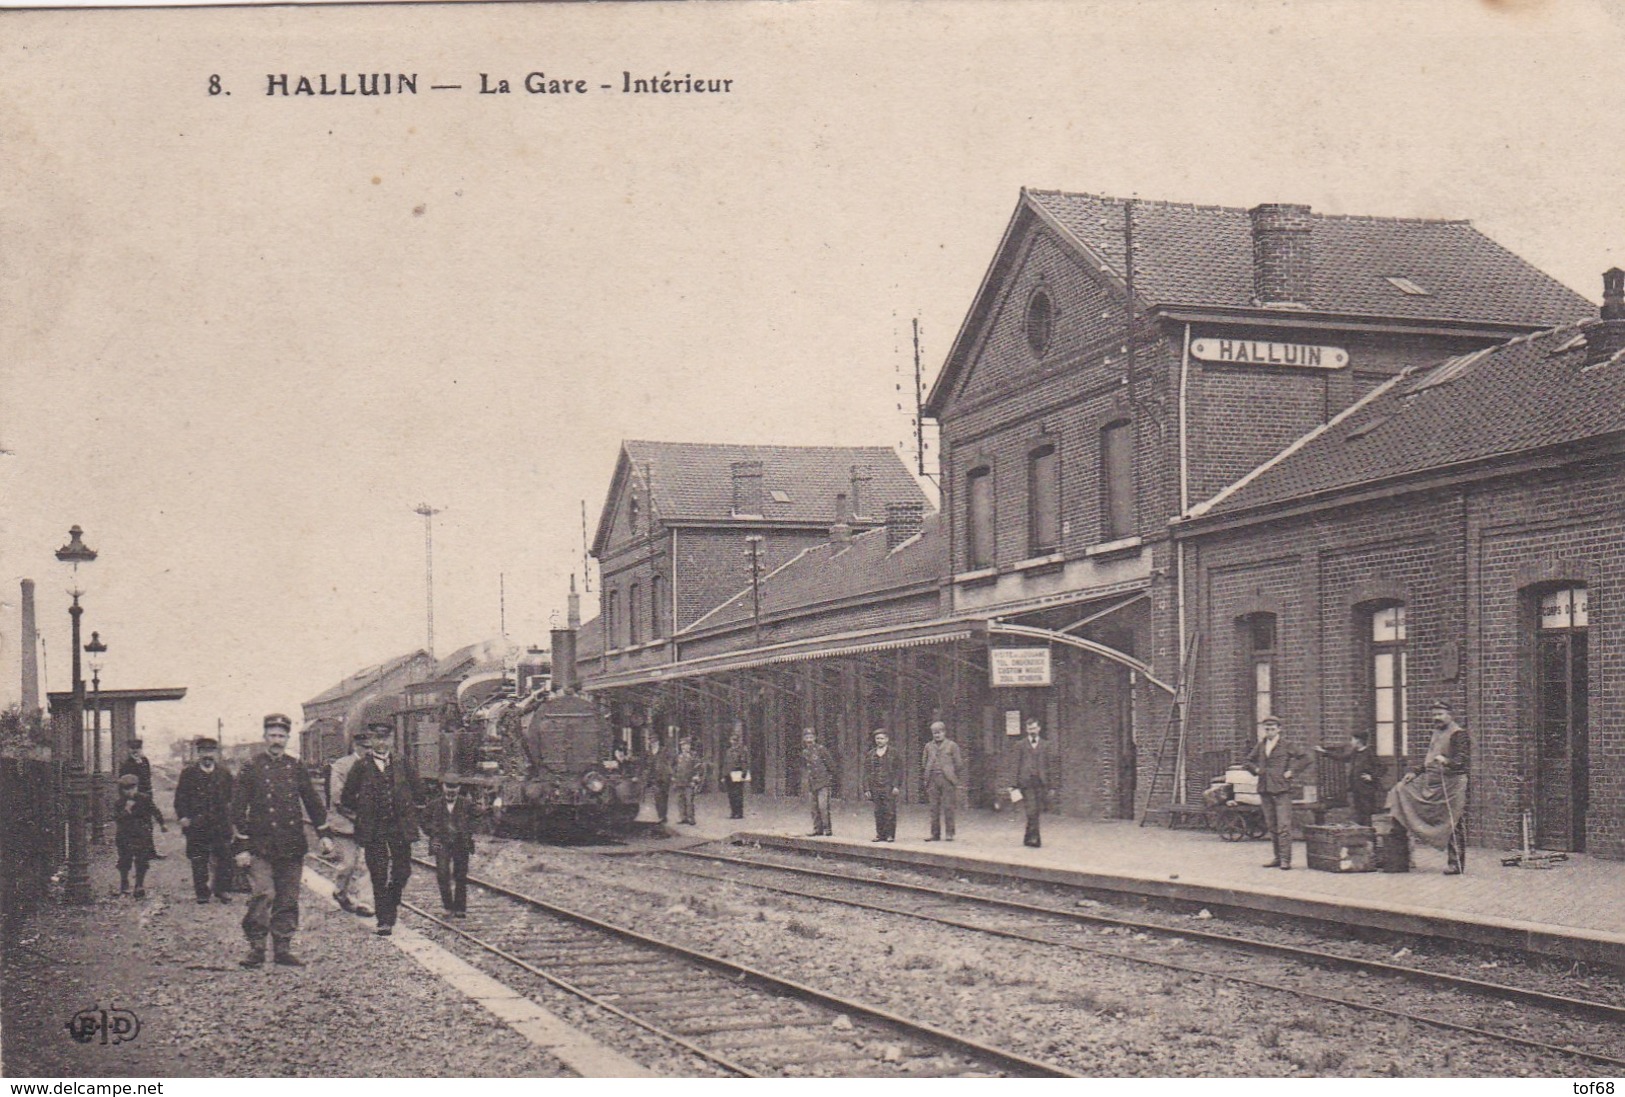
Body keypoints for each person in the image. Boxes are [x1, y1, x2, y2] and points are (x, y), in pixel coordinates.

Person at [230, 713, 333, 967]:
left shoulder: (295, 767)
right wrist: (241, 847)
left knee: (288, 898)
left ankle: (283, 948)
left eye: (281, 736)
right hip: (260, 846)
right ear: (265, 737)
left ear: (287, 738)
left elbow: (312, 801)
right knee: (263, 895)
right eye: (272, 735)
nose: (277, 740)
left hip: (291, 845)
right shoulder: (251, 767)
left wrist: (324, 835)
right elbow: (237, 809)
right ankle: (256, 948)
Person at [340, 721, 421, 936]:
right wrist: (364, 812)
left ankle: (391, 903)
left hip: (400, 828)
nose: (382, 743)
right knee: (377, 874)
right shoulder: (361, 767)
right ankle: (384, 921)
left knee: (402, 872)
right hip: (374, 830)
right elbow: (347, 798)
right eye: (377, 738)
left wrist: (410, 810)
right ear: (371, 740)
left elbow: (420, 792)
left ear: (392, 740)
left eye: (385, 738)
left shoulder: (403, 763)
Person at [1387, 700, 1471, 875]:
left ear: (1450, 714)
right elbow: (1431, 760)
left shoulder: (1458, 734)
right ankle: (1401, 857)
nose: (1436, 718)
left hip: (1452, 785)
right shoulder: (1436, 733)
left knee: (1453, 821)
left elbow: (1462, 761)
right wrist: (1416, 772)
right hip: (1433, 782)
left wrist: (1447, 761)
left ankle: (1456, 864)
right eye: (1434, 714)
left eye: (1440, 714)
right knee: (1399, 790)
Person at [173, 737, 234, 904]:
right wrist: (183, 817)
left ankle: (223, 890)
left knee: (224, 857)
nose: (208, 756)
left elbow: (232, 797)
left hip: (220, 824)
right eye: (204, 752)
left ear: (216, 753)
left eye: (211, 752)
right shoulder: (188, 774)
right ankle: (202, 892)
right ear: (198, 754)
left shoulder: (224, 773)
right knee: (198, 858)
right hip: (197, 824)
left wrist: (232, 818)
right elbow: (180, 799)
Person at [1246, 715, 1307, 870]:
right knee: (1271, 825)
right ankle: (1277, 857)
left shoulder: (1287, 745)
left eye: (1272, 729)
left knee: (1284, 826)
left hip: (1281, 790)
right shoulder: (1261, 745)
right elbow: (1248, 761)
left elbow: (1305, 758)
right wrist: (1256, 770)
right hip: (1265, 788)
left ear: (1279, 729)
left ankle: (1286, 860)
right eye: (1267, 729)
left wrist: (1291, 771)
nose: (1269, 732)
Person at [326, 728, 376, 917]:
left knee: (367, 864)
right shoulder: (341, 766)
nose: (368, 751)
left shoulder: (375, 766)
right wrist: (358, 817)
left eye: (370, 748)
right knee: (348, 864)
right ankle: (340, 891)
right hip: (345, 823)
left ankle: (365, 902)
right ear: (355, 746)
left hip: (368, 825)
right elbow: (337, 797)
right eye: (364, 748)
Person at [423, 775, 475, 917]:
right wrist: (433, 833)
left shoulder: (467, 804)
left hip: (461, 843)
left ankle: (460, 908)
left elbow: (478, 818)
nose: (451, 791)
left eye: (454, 788)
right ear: (443, 787)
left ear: (459, 788)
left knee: (461, 875)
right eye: (448, 787)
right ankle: (447, 906)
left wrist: (468, 832)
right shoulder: (434, 805)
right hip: (441, 843)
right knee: (442, 873)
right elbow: (424, 820)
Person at [1315, 729, 1381, 828]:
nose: (1351, 742)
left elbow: (1382, 767)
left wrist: (1372, 776)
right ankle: (1360, 835)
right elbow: (1343, 757)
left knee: (1367, 812)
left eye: (1352, 739)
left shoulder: (1369, 753)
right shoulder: (1355, 752)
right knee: (1358, 811)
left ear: (1358, 741)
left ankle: (1369, 836)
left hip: (1366, 788)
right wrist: (1325, 752)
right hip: (1356, 787)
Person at [114, 773, 166, 898]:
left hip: (142, 834)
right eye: (126, 789)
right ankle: (124, 882)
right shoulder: (119, 803)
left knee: (142, 859)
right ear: (122, 790)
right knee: (125, 859)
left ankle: (139, 885)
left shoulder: (144, 798)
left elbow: (155, 810)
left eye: (132, 788)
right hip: (125, 834)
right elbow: (117, 818)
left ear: (137, 787)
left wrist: (162, 824)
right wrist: (126, 809)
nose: (130, 792)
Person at [922, 720, 964, 842]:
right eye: (934, 733)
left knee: (948, 807)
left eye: (939, 732)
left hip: (947, 780)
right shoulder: (928, 746)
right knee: (934, 808)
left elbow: (959, 764)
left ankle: (950, 833)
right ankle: (935, 834)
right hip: (932, 779)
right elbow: (924, 762)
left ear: (944, 732)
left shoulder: (952, 745)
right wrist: (928, 773)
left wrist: (951, 774)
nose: (937, 735)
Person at [1013, 718, 1051, 848]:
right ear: (1026, 730)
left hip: (1040, 782)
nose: (1032, 731)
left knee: (1036, 810)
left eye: (1034, 728)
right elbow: (1015, 765)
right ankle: (1035, 838)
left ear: (1039, 729)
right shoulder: (1020, 745)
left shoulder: (1046, 745)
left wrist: (1051, 784)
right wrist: (1013, 784)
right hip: (1026, 782)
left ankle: (1028, 837)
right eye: (1030, 729)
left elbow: (1050, 765)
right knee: (1031, 810)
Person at [864, 729, 903, 842]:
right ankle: (880, 834)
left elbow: (898, 771)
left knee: (889, 810)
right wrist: (867, 788)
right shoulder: (871, 754)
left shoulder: (893, 753)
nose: (879, 741)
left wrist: (896, 786)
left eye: (882, 738)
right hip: (875, 786)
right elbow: (866, 772)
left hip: (888, 786)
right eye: (877, 738)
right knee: (878, 811)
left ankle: (890, 834)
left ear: (887, 739)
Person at [802, 728, 837, 837]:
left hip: (823, 782)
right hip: (812, 784)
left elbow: (831, 765)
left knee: (823, 807)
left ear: (815, 738)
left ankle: (827, 829)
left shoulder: (821, 750)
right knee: (814, 808)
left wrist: (828, 779)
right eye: (807, 737)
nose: (809, 740)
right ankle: (817, 829)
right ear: (804, 739)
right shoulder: (805, 752)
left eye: (811, 737)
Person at [722, 722, 751, 820]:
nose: (733, 742)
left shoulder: (741, 750)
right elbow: (725, 764)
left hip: (738, 773)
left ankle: (739, 813)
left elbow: (744, 763)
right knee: (731, 795)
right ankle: (733, 812)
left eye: (735, 740)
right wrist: (723, 775)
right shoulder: (728, 751)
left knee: (738, 794)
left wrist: (744, 774)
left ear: (737, 741)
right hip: (729, 775)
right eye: (732, 740)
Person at [645, 731, 675, 825]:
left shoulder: (664, 750)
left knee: (664, 797)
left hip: (664, 777)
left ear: (657, 742)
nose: (652, 743)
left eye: (654, 741)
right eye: (651, 741)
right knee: (657, 797)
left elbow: (671, 760)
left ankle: (663, 816)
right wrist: (648, 777)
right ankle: (661, 816)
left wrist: (669, 771)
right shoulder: (649, 752)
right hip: (655, 778)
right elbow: (648, 766)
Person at [673, 738, 700, 825]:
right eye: (682, 745)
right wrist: (674, 778)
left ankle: (691, 818)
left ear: (689, 746)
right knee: (680, 800)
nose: (684, 747)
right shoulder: (678, 756)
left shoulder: (693, 756)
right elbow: (674, 768)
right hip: (680, 781)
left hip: (689, 782)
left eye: (686, 745)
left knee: (689, 801)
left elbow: (698, 768)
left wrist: (695, 779)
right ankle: (682, 817)